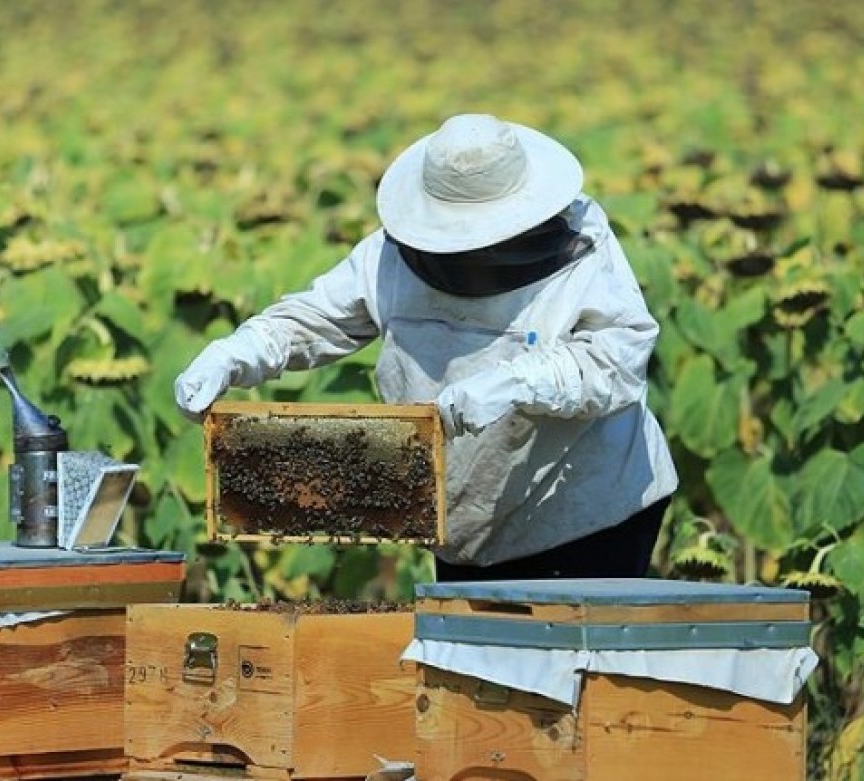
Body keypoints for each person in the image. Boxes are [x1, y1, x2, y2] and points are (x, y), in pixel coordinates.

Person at [174, 114, 678, 581]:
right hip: (457, 513)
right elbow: (316, 316)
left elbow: (617, 361)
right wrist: (240, 350)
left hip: (584, 510)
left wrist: (517, 382)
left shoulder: (583, 245)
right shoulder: (394, 255)